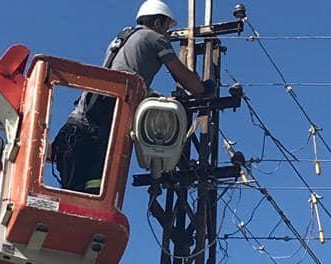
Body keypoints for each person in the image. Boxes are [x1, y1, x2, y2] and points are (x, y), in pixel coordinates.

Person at [52, 0, 212, 194]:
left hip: (77, 126)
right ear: (157, 22)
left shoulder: (120, 40)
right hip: (99, 128)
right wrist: (202, 88)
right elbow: (183, 77)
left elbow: (124, 73)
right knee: (95, 192)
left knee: (77, 193)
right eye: (166, 28)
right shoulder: (154, 38)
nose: (166, 34)